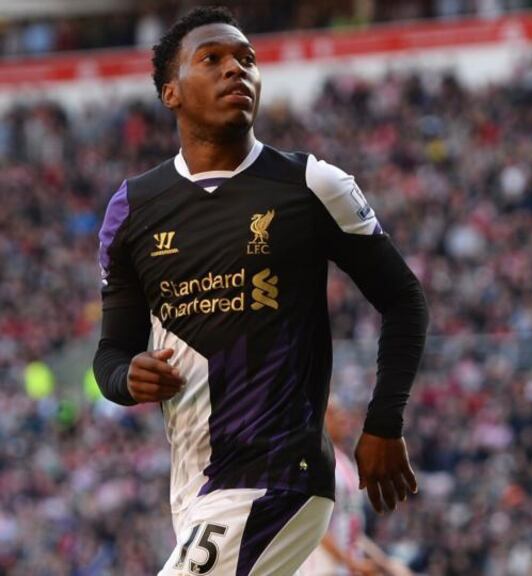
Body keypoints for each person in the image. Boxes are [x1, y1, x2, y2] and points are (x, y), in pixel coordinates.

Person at [92, 7, 428, 575]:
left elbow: (404, 300)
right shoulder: (132, 210)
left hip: (279, 477)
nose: (236, 70)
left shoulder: (311, 185)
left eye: (247, 59)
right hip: (196, 484)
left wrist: (384, 421)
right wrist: (129, 378)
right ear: (170, 91)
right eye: (213, 59)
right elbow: (110, 357)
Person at [301, 400, 415, 576]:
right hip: (323, 567)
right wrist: (352, 563)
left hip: (346, 566)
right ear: (318, 418)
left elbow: (353, 529)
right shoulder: (315, 461)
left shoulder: (345, 464)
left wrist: (385, 565)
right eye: (333, 413)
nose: (342, 418)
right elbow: (311, 524)